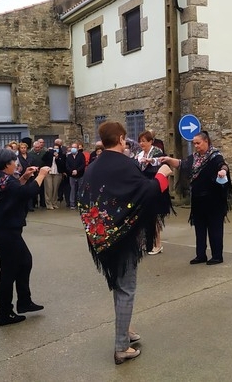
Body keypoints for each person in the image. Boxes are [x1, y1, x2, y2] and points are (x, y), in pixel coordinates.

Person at [78, 121, 173, 364]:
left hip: (102, 237)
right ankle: (121, 346)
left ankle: (125, 329)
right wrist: (162, 175)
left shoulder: (94, 165)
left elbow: (85, 198)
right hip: (122, 237)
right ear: (121, 139)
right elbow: (146, 192)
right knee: (126, 289)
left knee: (119, 285)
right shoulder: (125, 164)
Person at [0, 149, 50, 325]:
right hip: (4, 229)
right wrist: (41, 175)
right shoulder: (6, 180)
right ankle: (5, 313)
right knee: (9, 270)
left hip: (4, 227)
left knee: (25, 261)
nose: (16, 164)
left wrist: (25, 177)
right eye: (14, 161)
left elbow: (13, 192)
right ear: (7, 164)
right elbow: (26, 193)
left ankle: (24, 301)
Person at [160, 131, 232, 265]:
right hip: (198, 199)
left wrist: (223, 171)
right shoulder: (195, 157)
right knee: (199, 228)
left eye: (198, 143)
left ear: (206, 141)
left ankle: (217, 256)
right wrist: (168, 159)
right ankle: (200, 255)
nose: (196, 146)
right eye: (194, 143)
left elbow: (223, 165)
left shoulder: (215, 156)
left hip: (213, 200)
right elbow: (181, 163)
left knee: (214, 227)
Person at [136, 130, 169, 255]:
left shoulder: (157, 152)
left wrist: (151, 161)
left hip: (156, 189)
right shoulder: (139, 155)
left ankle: (158, 244)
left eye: (144, 141)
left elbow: (162, 165)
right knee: (146, 217)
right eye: (140, 141)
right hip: (145, 189)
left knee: (155, 218)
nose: (141, 144)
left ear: (150, 141)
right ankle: (148, 243)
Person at [42, 141, 65, 210]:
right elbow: (43, 159)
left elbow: (62, 164)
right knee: (49, 188)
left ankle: (54, 203)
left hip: (57, 173)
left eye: (57, 148)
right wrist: (48, 152)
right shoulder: (49, 154)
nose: (55, 150)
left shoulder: (62, 155)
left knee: (55, 189)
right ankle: (48, 204)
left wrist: (57, 158)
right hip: (48, 173)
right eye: (54, 148)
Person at [65, 141, 86, 209]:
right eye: (72, 147)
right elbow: (67, 165)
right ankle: (72, 204)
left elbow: (83, 164)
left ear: (77, 148)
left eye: (75, 147)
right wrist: (72, 171)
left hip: (80, 175)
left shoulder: (81, 155)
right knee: (72, 189)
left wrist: (77, 170)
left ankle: (80, 203)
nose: (73, 148)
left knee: (80, 189)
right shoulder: (69, 156)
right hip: (72, 175)